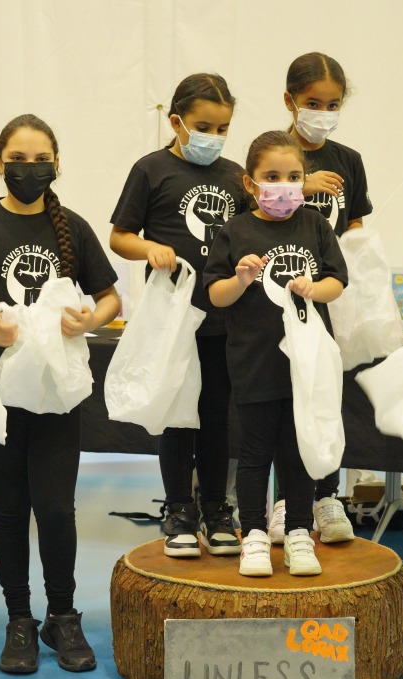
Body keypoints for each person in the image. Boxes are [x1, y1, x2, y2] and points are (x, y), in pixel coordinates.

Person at [0, 114, 120, 674]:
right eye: (18, 158)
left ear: (56, 165)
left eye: (40, 160)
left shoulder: (74, 227)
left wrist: (88, 322)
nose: (28, 169)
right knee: (9, 509)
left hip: (57, 396)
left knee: (57, 508)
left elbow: (110, 299)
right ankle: (19, 619)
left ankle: (63, 615)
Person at [109, 73, 247, 558]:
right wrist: (150, 248)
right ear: (176, 122)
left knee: (215, 416)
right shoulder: (151, 170)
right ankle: (178, 510)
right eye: (203, 126)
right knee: (176, 414)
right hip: (172, 319)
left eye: (224, 127)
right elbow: (119, 236)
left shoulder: (235, 175)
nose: (214, 136)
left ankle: (216, 508)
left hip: (223, 317)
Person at [205, 131, 348, 578]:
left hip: (305, 368)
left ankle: (300, 533)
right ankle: (253, 536)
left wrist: (315, 288)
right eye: (272, 177)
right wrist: (242, 279)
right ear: (251, 184)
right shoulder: (234, 231)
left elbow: (337, 282)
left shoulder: (315, 226)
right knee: (254, 455)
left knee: (297, 453)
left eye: (293, 176)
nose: (283, 185)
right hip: (253, 363)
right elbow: (216, 295)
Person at [267, 52, 370, 545]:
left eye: (332, 104)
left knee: (325, 395)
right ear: (290, 101)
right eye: (313, 103)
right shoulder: (273, 153)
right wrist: (300, 185)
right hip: (278, 298)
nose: (323, 113)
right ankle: (288, 500)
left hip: (327, 297)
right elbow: (254, 207)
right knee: (285, 401)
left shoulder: (348, 160)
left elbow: (354, 230)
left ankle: (327, 496)